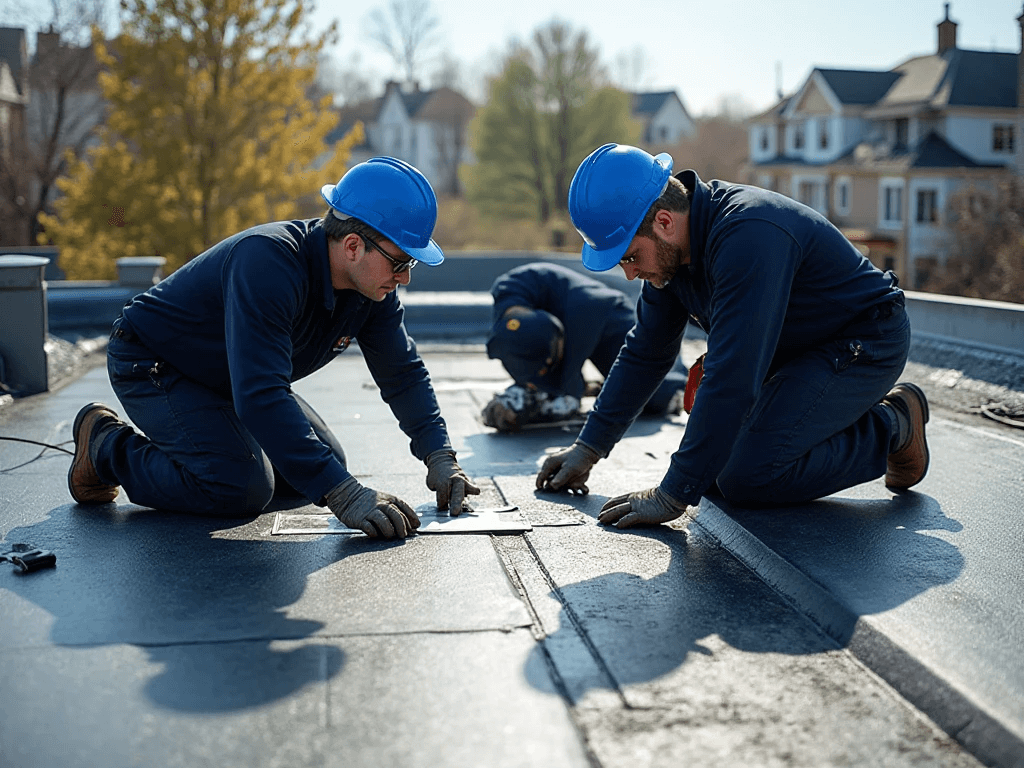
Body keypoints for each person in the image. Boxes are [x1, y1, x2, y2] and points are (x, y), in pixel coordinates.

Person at [68, 156, 479, 539]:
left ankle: (204, 440)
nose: (404, 278)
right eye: (401, 262)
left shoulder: (370, 290)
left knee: (318, 467)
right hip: (156, 362)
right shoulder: (268, 263)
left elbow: (402, 373)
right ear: (353, 246)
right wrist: (343, 494)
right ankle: (105, 446)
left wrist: (439, 454)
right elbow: (261, 394)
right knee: (239, 487)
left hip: (226, 373)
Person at [536, 143, 929, 529]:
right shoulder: (670, 258)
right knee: (714, 472)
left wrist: (672, 495)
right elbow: (647, 352)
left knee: (748, 476)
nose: (629, 274)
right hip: (791, 351)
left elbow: (732, 378)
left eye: (630, 257)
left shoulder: (749, 235)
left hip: (862, 344)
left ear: (665, 222)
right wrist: (588, 447)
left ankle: (892, 424)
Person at [482, 262, 689, 431]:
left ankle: (678, 381)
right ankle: (546, 391)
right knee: (545, 377)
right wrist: (529, 383)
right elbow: (517, 349)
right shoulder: (508, 302)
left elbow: (569, 373)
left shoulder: (583, 307)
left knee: (649, 394)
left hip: (608, 319)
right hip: (564, 321)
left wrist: (568, 391)